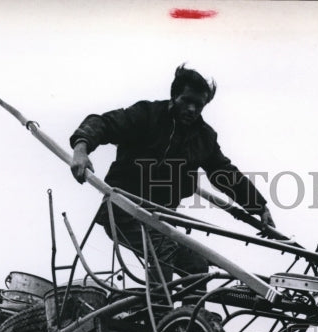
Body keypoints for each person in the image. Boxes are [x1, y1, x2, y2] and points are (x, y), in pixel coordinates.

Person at [70, 65, 274, 289]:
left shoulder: (204, 137)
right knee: (164, 245)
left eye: (199, 105)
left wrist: (259, 206)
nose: (191, 109)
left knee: (196, 265)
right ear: (174, 96)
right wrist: (81, 148)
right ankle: (157, 316)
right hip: (123, 211)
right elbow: (104, 123)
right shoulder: (147, 114)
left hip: (162, 217)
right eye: (186, 101)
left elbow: (224, 172)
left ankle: (191, 322)